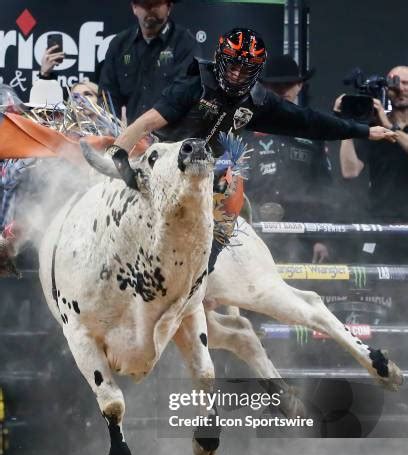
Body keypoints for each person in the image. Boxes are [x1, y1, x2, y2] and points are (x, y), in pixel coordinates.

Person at [105, 28, 395, 273]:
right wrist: (118, 154)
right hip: (167, 161)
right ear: (220, 59)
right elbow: (146, 122)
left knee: (234, 198)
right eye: (232, 64)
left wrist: (364, 130)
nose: (236, 73)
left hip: (209, 172)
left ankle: (204, 271)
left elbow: (311, 123)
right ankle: (118, 256)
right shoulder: (193, 86)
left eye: (245, 68)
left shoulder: (259, 101)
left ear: (256, 71)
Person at [246, 54, 333, 263]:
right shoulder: (245, 126)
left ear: (299, 86)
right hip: (253, 230)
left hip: (302, 231)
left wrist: (321, 238)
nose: (283, 90)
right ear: (265, 87)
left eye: (289, 84)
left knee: (301, 290)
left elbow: (323, 187)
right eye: (276, 85)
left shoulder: (313, 129)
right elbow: (232, 182)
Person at [338, 65, 408, 262]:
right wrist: (348, 125)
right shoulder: (375, 129)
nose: (401, 89)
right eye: (395, 84)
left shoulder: (384, 126)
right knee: (373, 281)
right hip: (381, 222)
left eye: (406, 83)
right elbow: (350, 171)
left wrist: (389, 126)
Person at [98, 0, 197, 123]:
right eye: (144, 4)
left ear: (169, 7)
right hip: (130, 135)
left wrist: (147, 126)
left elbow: (183, 94)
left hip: (171, 136)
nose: (150, 9)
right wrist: (112, 129)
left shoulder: (185, 43)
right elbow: (108, 95)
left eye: (156, 4)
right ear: (134, 7)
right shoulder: (119, 44)